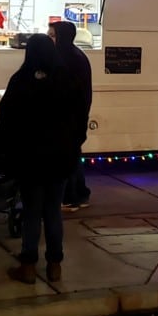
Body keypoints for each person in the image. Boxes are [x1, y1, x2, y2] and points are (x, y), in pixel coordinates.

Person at [0, 34, 86, 284]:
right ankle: (54, 265)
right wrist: (72, 147)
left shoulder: (20, 81)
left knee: (31, 212)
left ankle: (28, 265)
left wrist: (10, 152)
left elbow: (7, 121)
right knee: (53, 212)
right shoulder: (68, 80)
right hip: (59, 160)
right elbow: (80, 121)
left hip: (29, 161)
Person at [48, 21, 93, 212]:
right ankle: (79, 194)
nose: (49, 39)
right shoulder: (71, 55)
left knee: (69, 157)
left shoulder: (70, 59)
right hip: (72, 116)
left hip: (71, 117)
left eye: (52, 35)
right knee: (73, 155)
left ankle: (71, 197)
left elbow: (71, 91)